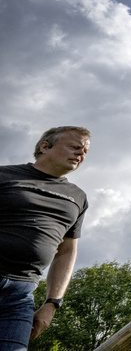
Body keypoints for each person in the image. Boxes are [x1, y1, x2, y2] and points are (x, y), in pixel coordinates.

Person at [1, 126, 90, 349]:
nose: (80, 154)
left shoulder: (78, 197)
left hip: (20, 296)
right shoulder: (5, 175)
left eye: (85, 151)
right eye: (74, 146)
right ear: (45, 146)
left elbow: (67, 251)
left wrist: (52, 303)